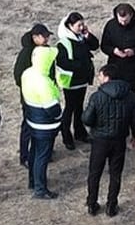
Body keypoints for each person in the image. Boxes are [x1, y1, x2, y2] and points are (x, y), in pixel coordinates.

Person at [82, 63, 135, 217]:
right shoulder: (129, 96)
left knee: (94, 173)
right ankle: (111, 205)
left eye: (100, 76)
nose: (99, 78)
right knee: (115, 174)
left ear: (107, 77)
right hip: (119, 140)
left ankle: (92, 203)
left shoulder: (97, 96)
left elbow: (87, 119)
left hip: (100, 140)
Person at [19, 41, 65, 200]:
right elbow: (52, 108)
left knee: (34, 153)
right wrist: (61, 116)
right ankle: (40, 189)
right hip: (45, 126)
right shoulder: (44, 82)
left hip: (32, 119)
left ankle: (33, 181)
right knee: (42, 157)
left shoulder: (28, 73)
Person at [13, 22, 51, 170]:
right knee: (28, 126)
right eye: (44, 37)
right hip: (30, 97)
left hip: (44, 95)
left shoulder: (45, 50)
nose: (47, 39)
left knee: (42, 124)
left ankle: (41, 151)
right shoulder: (26, 53)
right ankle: (25, 156)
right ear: (35, 37)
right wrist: (30, 89)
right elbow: (18, 76)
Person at [55, 12, 96, 152]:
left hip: (83, 80)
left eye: (82, 24)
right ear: (69, 26)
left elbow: (95, 45)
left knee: (79, 108)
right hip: (71, 82)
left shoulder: (81, 38)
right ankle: (67, 136)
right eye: (79, 25)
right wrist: (82, 65)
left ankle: (80, 133)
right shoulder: (63, 43)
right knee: (70, 108)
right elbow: (63, 63)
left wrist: (87, 35)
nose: (81, 27)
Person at [99, 3, 135, 88]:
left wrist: (134, 51)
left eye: (125, 21)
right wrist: (114, 51)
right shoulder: (110, 25)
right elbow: (104, 45)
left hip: (134, 70)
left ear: (131, 15)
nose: (123, 23)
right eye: (120, 20)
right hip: (115, 68)